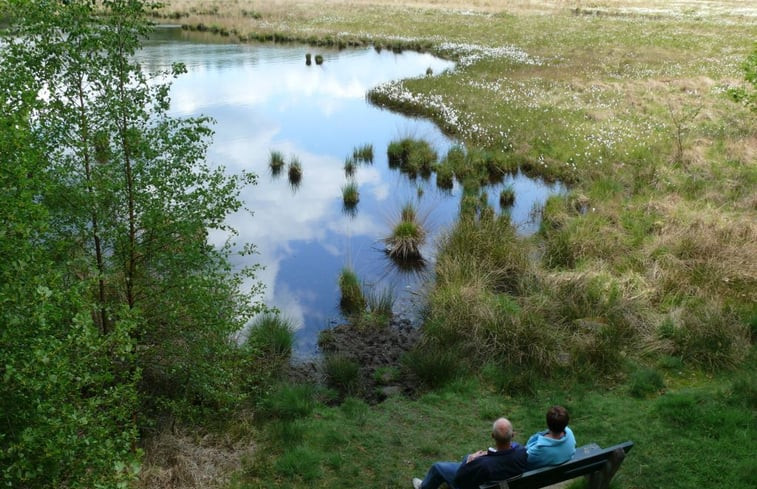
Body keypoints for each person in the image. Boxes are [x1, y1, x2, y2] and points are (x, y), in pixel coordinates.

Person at [412, 417, 527, 489]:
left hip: (472, 483)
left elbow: (459, 478)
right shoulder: (522, 452)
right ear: (513, 435)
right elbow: (513, 448)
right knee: (467, 458)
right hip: (504, 479)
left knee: (437, 467)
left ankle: (424, 487)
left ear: (492, 436)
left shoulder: (483, 464)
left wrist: (470, 460)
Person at [525, 405, 576, 470]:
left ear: (547, 424)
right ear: (566, 423)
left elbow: (524, 460)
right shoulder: (569, 432)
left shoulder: (539, 448)